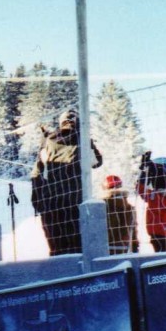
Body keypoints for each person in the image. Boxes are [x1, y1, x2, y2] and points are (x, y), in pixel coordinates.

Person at [30, 109, 103, 256]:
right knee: (78, 247)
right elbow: (97, 162)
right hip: (76, 200)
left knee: (57, 247)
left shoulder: (49, 140)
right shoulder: (83, 141)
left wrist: (37, 199)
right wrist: (87, 141)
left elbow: (37, 171)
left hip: (52, 202)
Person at [136, 153, 166, 252]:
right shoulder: (156, 195)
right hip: (158, 233)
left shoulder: (164, 198)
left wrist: (146, 173)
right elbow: (140, 189)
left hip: (163, 234)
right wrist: (145, 172)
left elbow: (141, 190)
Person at [101, 175, 137, 254]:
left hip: (107, 248)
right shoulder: (129, 207)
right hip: (126, 247)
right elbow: (133, 231)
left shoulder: (104, 207)